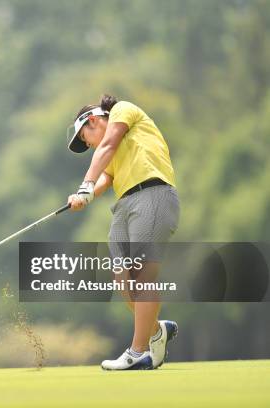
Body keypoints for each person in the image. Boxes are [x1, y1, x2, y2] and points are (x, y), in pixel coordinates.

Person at [67, 94, 180, 370]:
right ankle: (156, 330)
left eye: (85, 138)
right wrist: (85, 196)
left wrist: (85, 184)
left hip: (153, 194)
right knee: (121, 279)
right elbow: (106, 177)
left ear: (93, 120)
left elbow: (106, 145)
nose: (89, 144)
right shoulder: (108, 151)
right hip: (125, 204)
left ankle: (137, 351)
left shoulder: (122, 111)